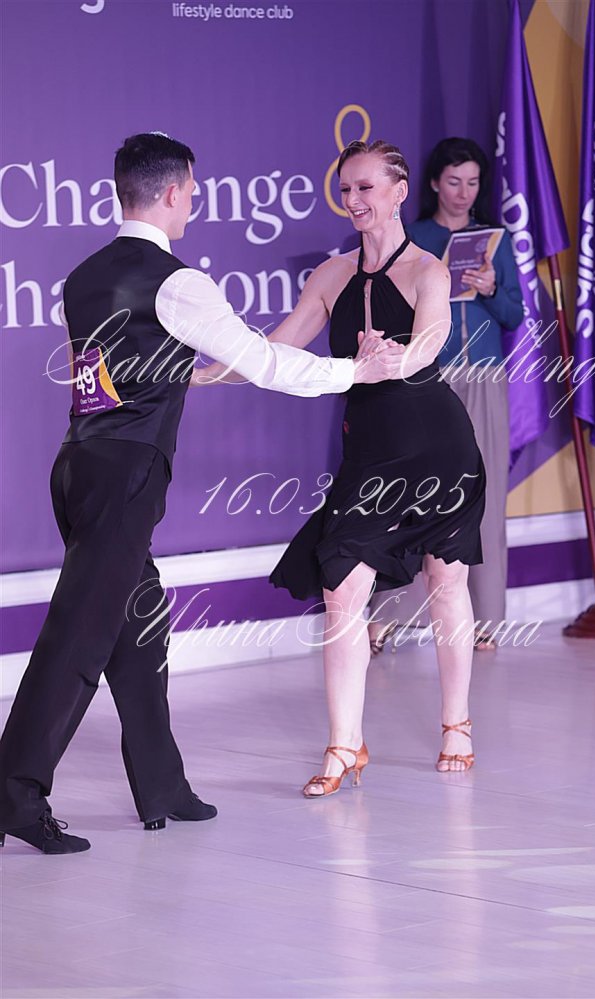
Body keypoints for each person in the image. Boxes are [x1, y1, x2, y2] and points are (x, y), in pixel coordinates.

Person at [0, 132, 402, 854]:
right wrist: (355, 372)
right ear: (173, 192)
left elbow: (112, 374)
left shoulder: (85, 275)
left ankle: (162, 786)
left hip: (80, 466)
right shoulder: (178, 282)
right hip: (125, 475)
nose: (195, 200)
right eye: (192, 189)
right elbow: (266, 363)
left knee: (140, 627)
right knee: (79, 637)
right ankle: (15, 795)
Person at [269, 140, 486, 793]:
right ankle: (344, 745)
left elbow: (431, 340)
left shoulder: (428, 270)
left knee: (445, 581)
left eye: (366, 188)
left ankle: (457, 723)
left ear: (398, 192)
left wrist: (395, 359)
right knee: (341, 589)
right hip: (369, 459)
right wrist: (202, 372)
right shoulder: (330, 276)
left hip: (438, 449)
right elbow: (278, 349)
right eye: (346, 189)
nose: (354, 200)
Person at [405, 137, 523, 650]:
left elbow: (515, 315)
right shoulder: (414, 237)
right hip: (430, 377)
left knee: (486, 494)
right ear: (435, 183)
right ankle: (398, 615)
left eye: (473, 182)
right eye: (454, 181)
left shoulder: (495, 240)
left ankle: (485, 618)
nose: (463, 192)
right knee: (417, 492)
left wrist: (491, 288)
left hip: (485, 377)